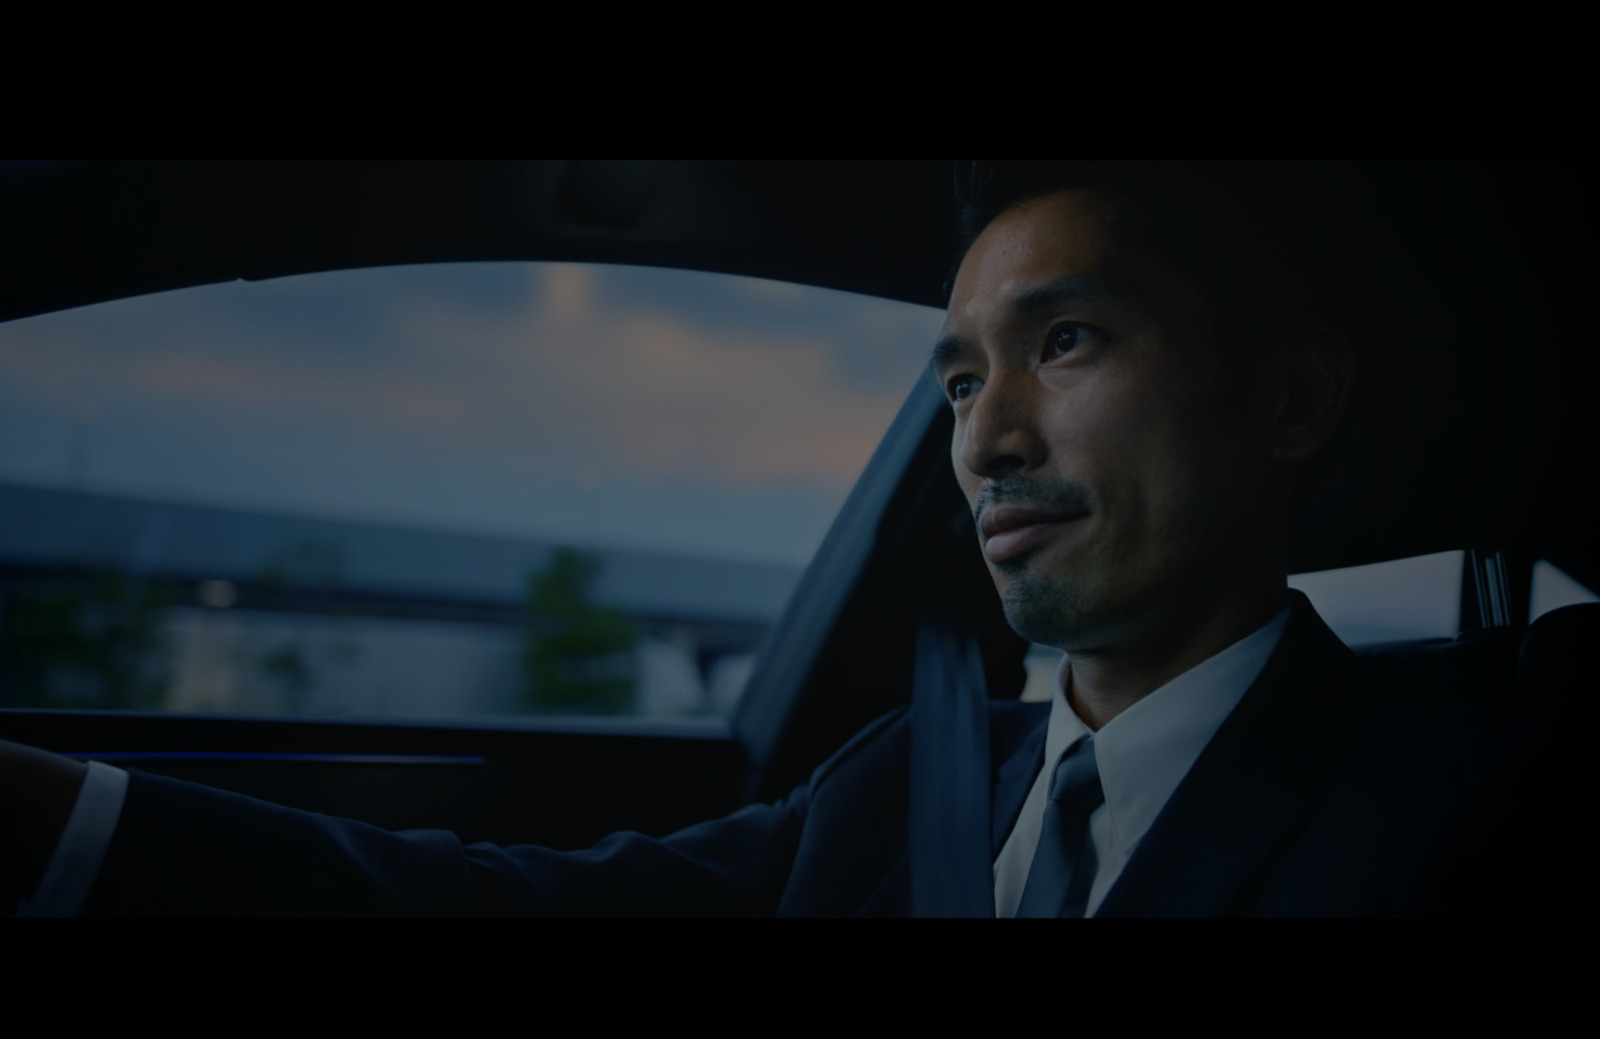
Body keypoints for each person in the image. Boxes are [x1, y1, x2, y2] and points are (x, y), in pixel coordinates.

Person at [0, 161, 1522, 916]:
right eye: (958, 379)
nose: (986, 443)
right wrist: (54, 815)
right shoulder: (903, 784)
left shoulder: (1479, 777)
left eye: (1066, 342)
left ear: (1294, 398)